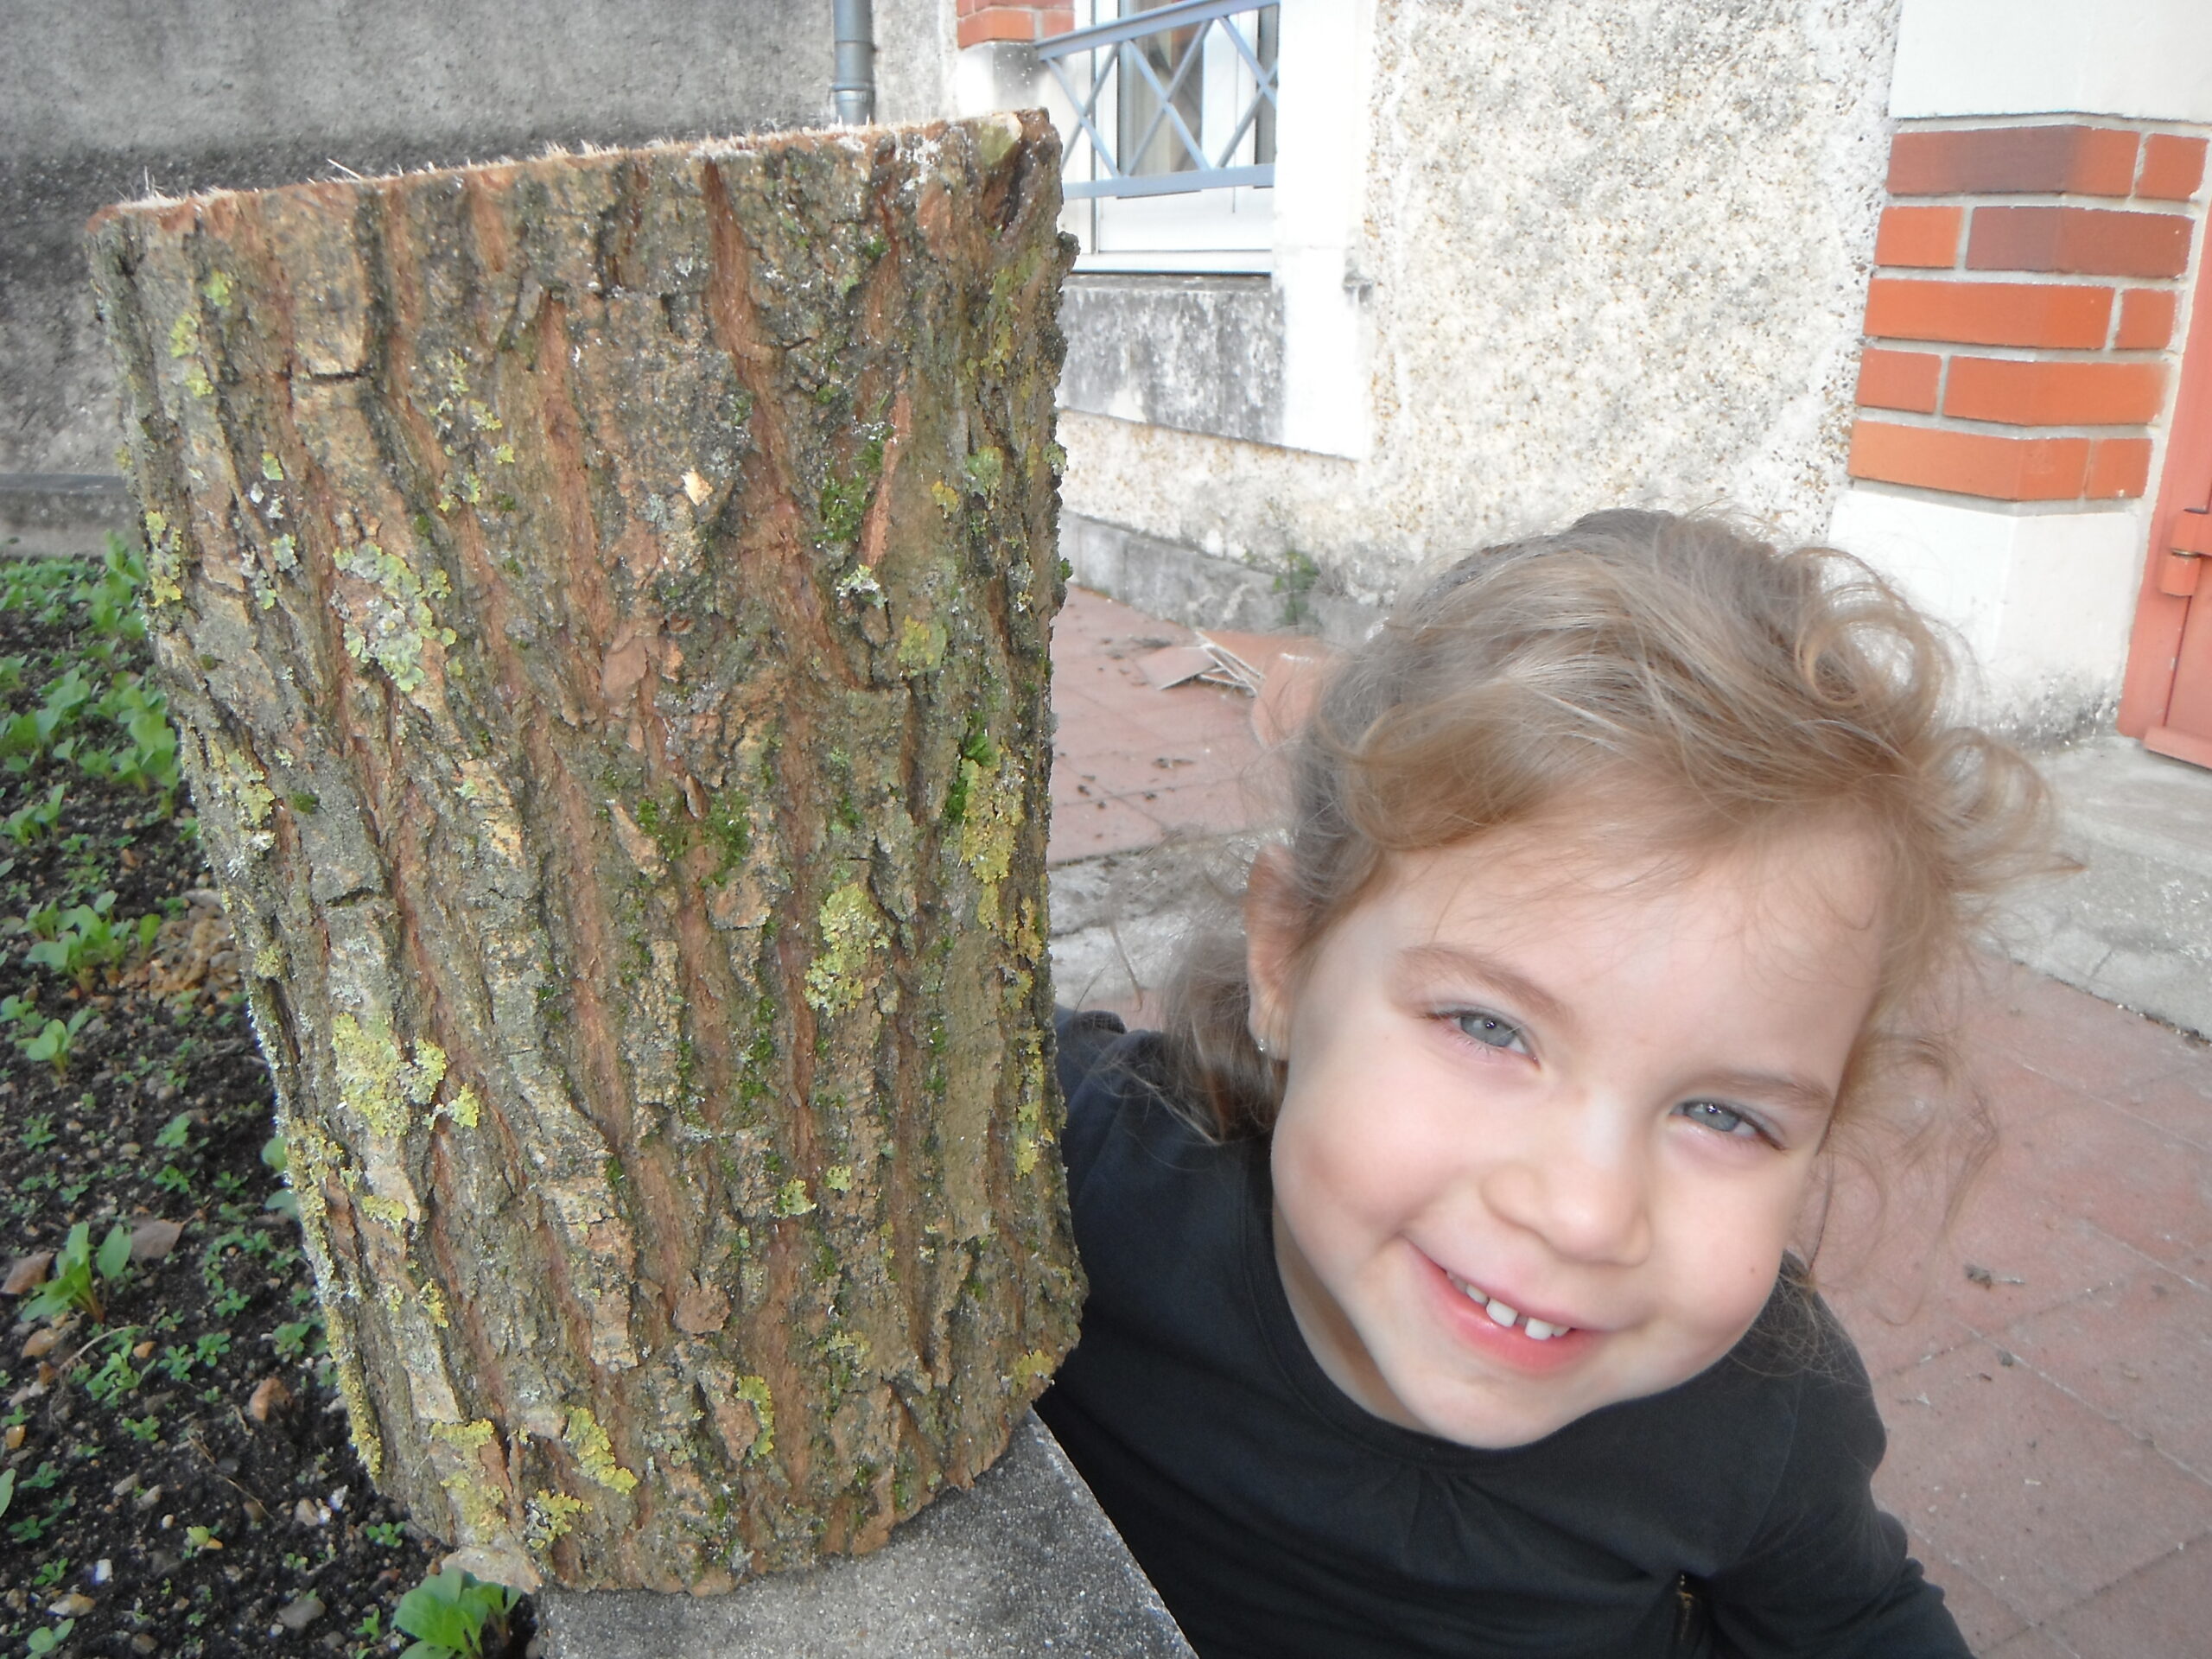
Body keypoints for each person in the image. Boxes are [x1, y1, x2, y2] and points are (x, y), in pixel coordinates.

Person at [1036, 510, 2055, 1658]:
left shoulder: (1758, 1421)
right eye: (1488, 1027)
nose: (1583, 1214)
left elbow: (1862, 1627)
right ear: (1287, 955)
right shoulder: (1075, 1171)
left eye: (1722, 1114)